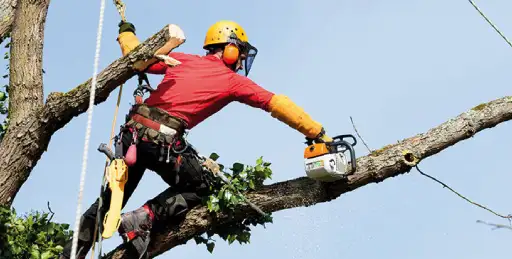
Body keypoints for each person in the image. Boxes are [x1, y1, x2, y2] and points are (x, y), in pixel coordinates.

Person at [60, 20, 333, 258]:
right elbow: (276, 103)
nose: (240, 63)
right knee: (204, 187)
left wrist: (126, 33)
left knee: (107, 203)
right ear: (230, 48)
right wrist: (317, 132)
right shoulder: (232, 81)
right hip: (161, 142)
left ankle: (70, 254)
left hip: (132, 137)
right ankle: (143, 218)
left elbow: (136, 54)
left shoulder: (183, 59)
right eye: (240, 54)